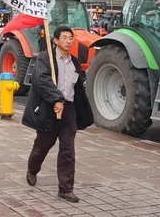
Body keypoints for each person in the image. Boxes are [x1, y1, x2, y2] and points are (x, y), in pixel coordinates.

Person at [22, 26, 93, 203]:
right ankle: (32, 170)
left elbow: (77, 87)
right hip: (49, 110)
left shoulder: (74, 62)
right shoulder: (46, 59)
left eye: (71, 38)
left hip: (68, 112)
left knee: (68, 151)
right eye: (65, 38)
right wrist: (56, 99)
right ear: (55, 40)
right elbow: (42, 81)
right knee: (42, 147)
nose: (69, 41)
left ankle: (66, 189)